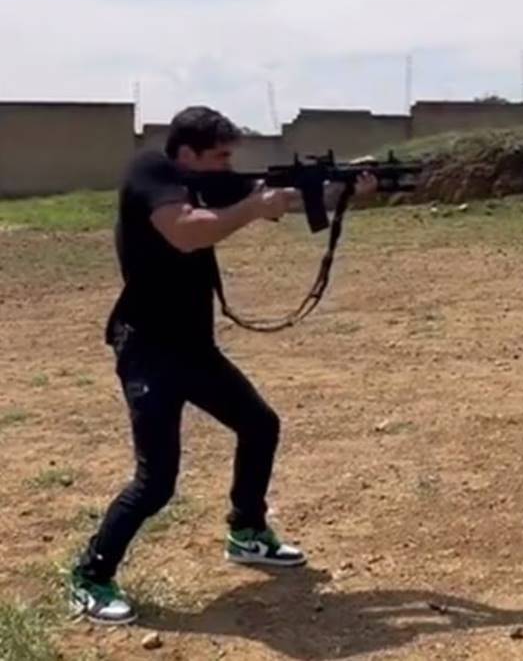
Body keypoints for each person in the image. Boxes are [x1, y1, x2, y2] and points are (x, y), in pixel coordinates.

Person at [67, 106, 376, 625]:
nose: (228, 164)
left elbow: (291, 199)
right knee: (156, 481)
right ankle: (90, 575)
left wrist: (343, 190)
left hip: (193, 348)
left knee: (260, 424)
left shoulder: (209, 184)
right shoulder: (150, 173)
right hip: (148, 349)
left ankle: (247, 530)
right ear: (186, 153)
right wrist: (256, 207)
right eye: (220, 155)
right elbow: (187, 232)